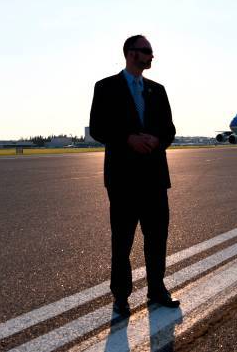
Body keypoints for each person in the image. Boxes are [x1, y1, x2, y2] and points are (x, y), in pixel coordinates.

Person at [89, 35, 178, 317]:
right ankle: (121, 296)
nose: (151, 56)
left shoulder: (158, 90)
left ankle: (156, 289)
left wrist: (156, 140)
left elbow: (170, 130)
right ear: (130, 53)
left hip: (154, 177)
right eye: (146, 51)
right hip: (123, 179)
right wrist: (128, 139)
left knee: (157, 237)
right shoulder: (105, 87)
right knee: (122, 240)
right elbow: (98, 128)